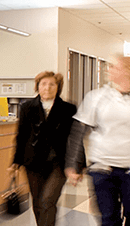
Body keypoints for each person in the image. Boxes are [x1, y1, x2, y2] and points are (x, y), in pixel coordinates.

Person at [65, 55, 130, 226]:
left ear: (127, 70)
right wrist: (74, 165)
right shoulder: (96, 97)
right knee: (108, 217)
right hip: (103, 168)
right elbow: (78, 132)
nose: (109, 70)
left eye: (114, 67)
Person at [9, 71, 76, 226]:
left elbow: (74, 139)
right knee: (38, 203)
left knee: (48, 201)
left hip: (58, 163)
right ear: (37, 86)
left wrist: (77, 165)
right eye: (43, 84)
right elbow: (21, 135)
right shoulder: (27, 107)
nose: (47, 88)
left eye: (52, 84)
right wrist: (15, 162)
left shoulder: (68, 109)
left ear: (58, 87)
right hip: (33, 162)